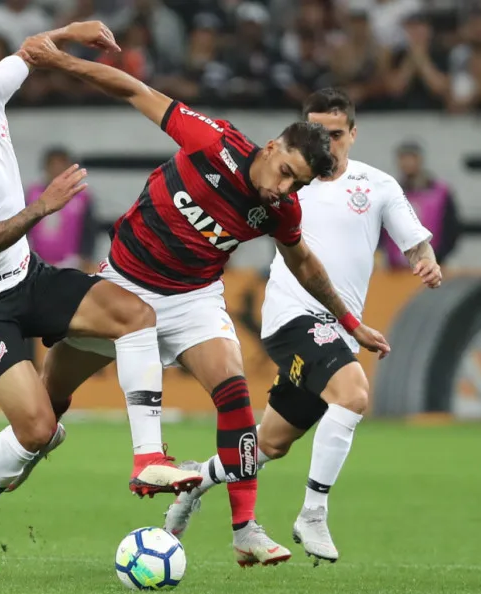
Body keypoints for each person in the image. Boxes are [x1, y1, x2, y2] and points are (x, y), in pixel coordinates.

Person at [20, 38, 391, 567]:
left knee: (234, 390)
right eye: (285, 172)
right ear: (269, 146)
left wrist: (351, 321)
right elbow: (131, 86)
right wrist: (58, 62)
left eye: (297, 186)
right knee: (43, 411)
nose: (282, 190)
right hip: (124, 285)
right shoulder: (210, 140)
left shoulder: (280, 211)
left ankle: (245, 528)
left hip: (192, 297)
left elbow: (305, 263)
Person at [0, 22, 200, 579]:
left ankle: (149, 458)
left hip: (27, 278)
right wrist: (43, 206)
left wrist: (74, 31)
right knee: (38, 430)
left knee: (134, 315)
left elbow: (29, 51)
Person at [162, 88, 442, 565]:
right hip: (292, 316)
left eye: (334, 133)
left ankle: (196, 480)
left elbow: (414, 241)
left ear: (353, 133)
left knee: (271, 442)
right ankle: (313, 512)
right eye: (315, 131)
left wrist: (427, 261)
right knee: (353, 394)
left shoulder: (378, 186)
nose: (325, 142)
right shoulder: (290, 182)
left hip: (336, 328)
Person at [381, 140, 460, 267]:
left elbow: (452, 229)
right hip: (396, 270)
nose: (407, 163)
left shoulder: (440, 192)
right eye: (403, 159)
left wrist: (440, 256)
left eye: (411, 158)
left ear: (420, 160)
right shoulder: (389, 193)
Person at [25, 146, 98, 272]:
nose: (57, 170)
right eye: (53, 165)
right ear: (45, 167)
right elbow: (23, 226)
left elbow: (89, 230)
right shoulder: (33, 194)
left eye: (62, 165)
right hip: (36, 263)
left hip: (71, 262)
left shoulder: (82, 196)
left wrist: (85, 257)